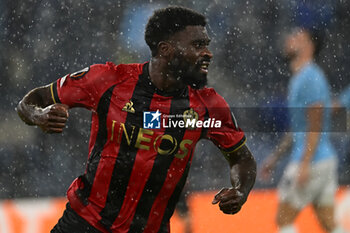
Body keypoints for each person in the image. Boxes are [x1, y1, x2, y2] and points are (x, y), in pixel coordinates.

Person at [17, 6, 256, 233]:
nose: (208, 53)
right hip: (85, 224)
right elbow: (31, 101)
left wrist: (240, 191)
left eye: (207, 45)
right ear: (166, 49)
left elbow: (242, 159)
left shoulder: (209, 107)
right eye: (198, 45)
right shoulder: (108, 80)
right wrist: (40, 116)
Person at [261, 27, 343, 233]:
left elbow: (315, 126)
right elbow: (299, 128)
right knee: (328, 221)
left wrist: (305, 163)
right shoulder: (302, 77)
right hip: (323, 159)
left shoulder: (310, 78)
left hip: (312, 160)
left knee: (283, 218)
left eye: (297, 36)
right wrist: (275, 157)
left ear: (309, 46)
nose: (289, 39)